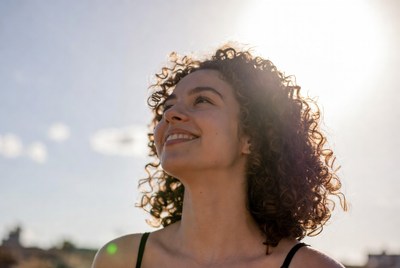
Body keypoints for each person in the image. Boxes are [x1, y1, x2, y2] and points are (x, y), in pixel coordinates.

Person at [92, 44, 347, 268]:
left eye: (202, 100)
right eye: (168, 107)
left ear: (251, 139)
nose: (171, 115)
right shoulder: (119, 260)